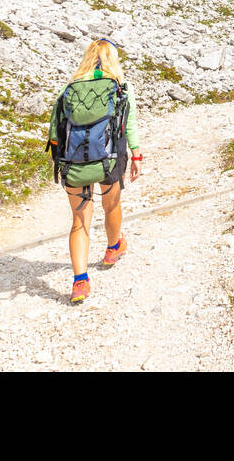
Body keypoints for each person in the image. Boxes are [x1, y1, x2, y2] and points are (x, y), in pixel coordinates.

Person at [46, 37, 143, 303]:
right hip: (109, 159)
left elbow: (57, 129)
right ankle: (113, 248)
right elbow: (129, 123)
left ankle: (80, 282)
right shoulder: (120, 88)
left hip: (74, 161)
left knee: (79, 221)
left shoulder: (71, 88)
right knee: (111, 206)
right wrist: (136, 154)